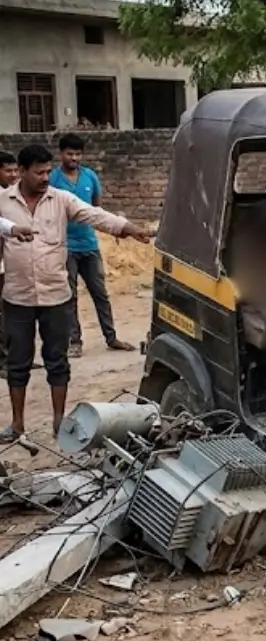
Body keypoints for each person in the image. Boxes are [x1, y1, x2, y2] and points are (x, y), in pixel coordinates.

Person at [0, 144, 152, 441]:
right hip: (17, 296)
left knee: (57, 361)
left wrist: (128, 228)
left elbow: (95, 215)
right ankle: (17, 425)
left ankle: (59, 422)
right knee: (18, 363)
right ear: (21, 171)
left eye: (47, 171)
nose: (45, 177)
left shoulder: (61, 199)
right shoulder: (3, 202)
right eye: (39, 172)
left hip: (56, 295)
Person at [50, 134, 135, 357]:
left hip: (90, 245)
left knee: (100, 294)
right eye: (70, 153)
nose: (74, 158)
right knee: (70, 296)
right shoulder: (52, 179)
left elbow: (97, 211)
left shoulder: (90, 177)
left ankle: (111, 337)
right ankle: (74, 342)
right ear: (61, 154)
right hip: (65, 247)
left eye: (78, 154)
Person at [0, 151, 17, 377]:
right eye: (8, 170)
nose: (13, 175)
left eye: (15, 170)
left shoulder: (12, 195)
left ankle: (14, 357)